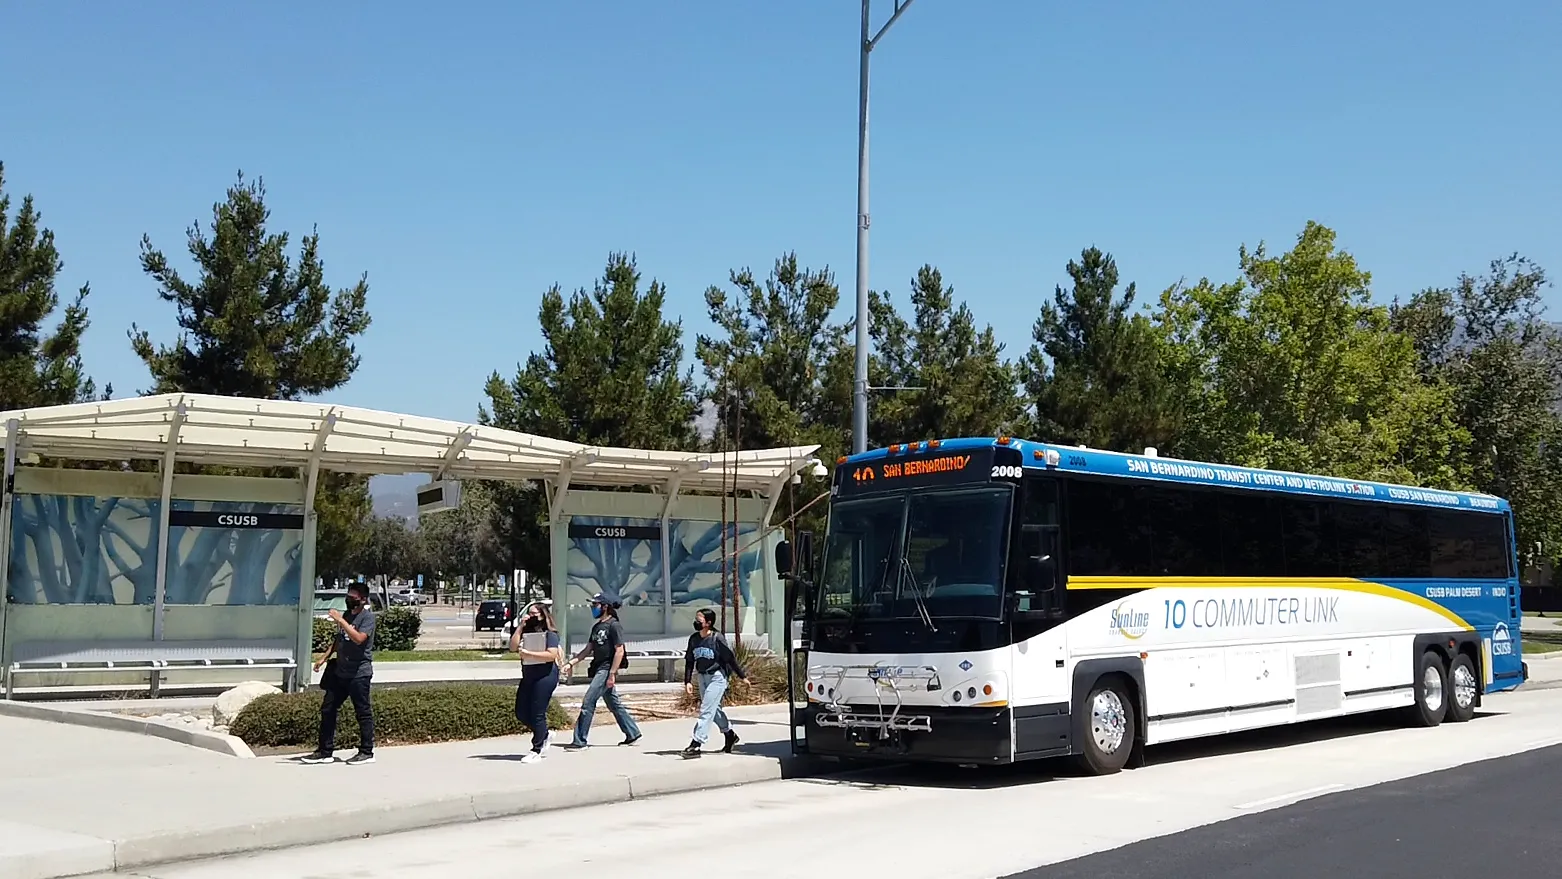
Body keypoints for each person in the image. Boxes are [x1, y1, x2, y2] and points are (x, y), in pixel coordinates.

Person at [302, 582, 377, 765]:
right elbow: (339, 639)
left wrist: (341, 621)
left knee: (363, 712)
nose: (349, 600)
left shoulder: (367, 618)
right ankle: (325, 751)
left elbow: (359, 639)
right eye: (348, 596)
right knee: (328, 708)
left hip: (359, 673)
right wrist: (324, 657)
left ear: (363, 600)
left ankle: (366, 752)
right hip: (340, 672)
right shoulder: (346, 615)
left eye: (354, 597)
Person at [561, 591, 642, 748]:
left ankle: (579, 740)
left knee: (588, 702)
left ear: (605, 607)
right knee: (614, 704)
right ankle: (632, 733)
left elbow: (620, 650)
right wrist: (571, 663)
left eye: (595, 605)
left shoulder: (614, 626)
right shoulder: (597, 627)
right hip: (598, 668)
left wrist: (612, 673)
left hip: (606, 670)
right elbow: (587, 650)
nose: (593, 608)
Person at [680, 608, 749, 758]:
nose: (696, 623)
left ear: (708, 623)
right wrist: (687, 681)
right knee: (714, 710)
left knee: (706, 710)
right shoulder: (694, 639)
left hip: (717, 677)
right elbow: (690, 661)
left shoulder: (717, 638)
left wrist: (742, 676)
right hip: (702, 677)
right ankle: (730, 735)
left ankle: (696, 744)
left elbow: (730, 659)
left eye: (699, 620)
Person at [509, 602, 562, 763]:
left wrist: (528, 654)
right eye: (529, 614)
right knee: (521, 712)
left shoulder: (550, 634)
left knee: (537, 713)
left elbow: (551, 655)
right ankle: (545, 733)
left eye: (533, 614)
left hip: (545, 676)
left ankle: (536, 749)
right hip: (529, 675)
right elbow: (512, 647)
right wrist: (520, 626)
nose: (530, 617)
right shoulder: (526, 632)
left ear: (542, 615)